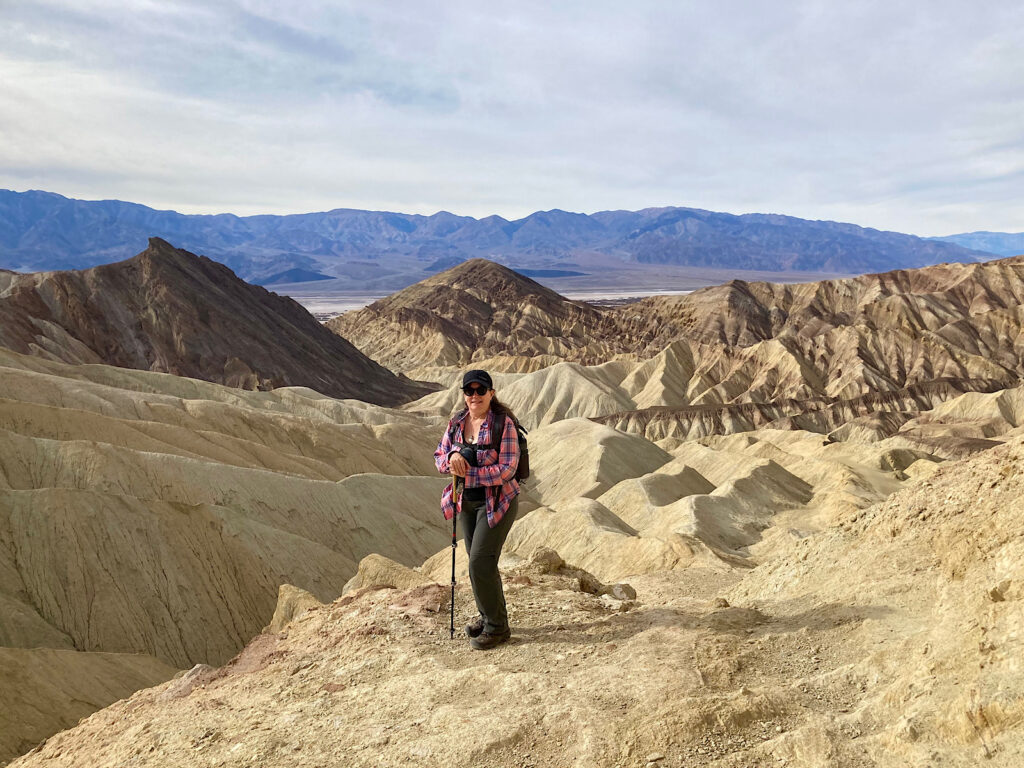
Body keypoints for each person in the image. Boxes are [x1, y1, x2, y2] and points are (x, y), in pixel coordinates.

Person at [434, 369, 520, 650]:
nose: (474, 396)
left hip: (498, 501)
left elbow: (507, 469)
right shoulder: (457, 423)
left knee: (479, 562)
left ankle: (497, 629)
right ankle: (489, 616)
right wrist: (453, 456)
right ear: (463, 395)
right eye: (469, 391)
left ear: (491, 393)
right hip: (467, 502)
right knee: (479, 563)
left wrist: (468, 474)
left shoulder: (502, 424)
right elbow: (439, 457)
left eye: (480, 391)